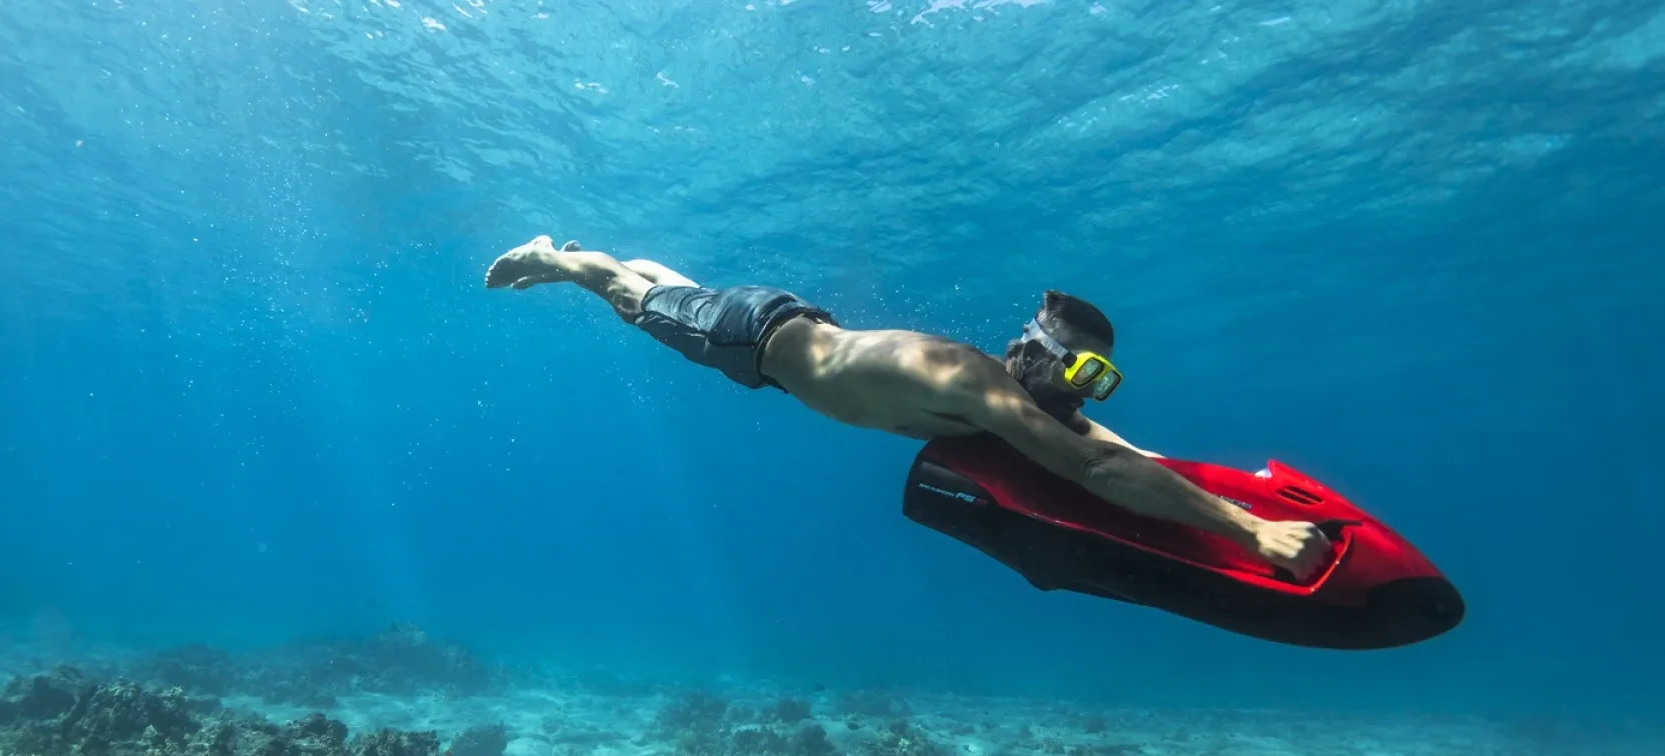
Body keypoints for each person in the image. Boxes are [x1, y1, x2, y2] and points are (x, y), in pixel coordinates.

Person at [484, 236, 1329, 580]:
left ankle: (653, 269)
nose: (1079, 391)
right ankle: (562, 258)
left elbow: (1111, 449)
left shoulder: (1033, 399)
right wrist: (1251, 532)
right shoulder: (980, 383)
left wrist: (1221, 497)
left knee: (675, 293)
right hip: (753, 338)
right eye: (1076, 368)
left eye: (1097, 377)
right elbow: (1094, 467)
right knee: (632, 300)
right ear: (1029, 351)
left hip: (786, 336)